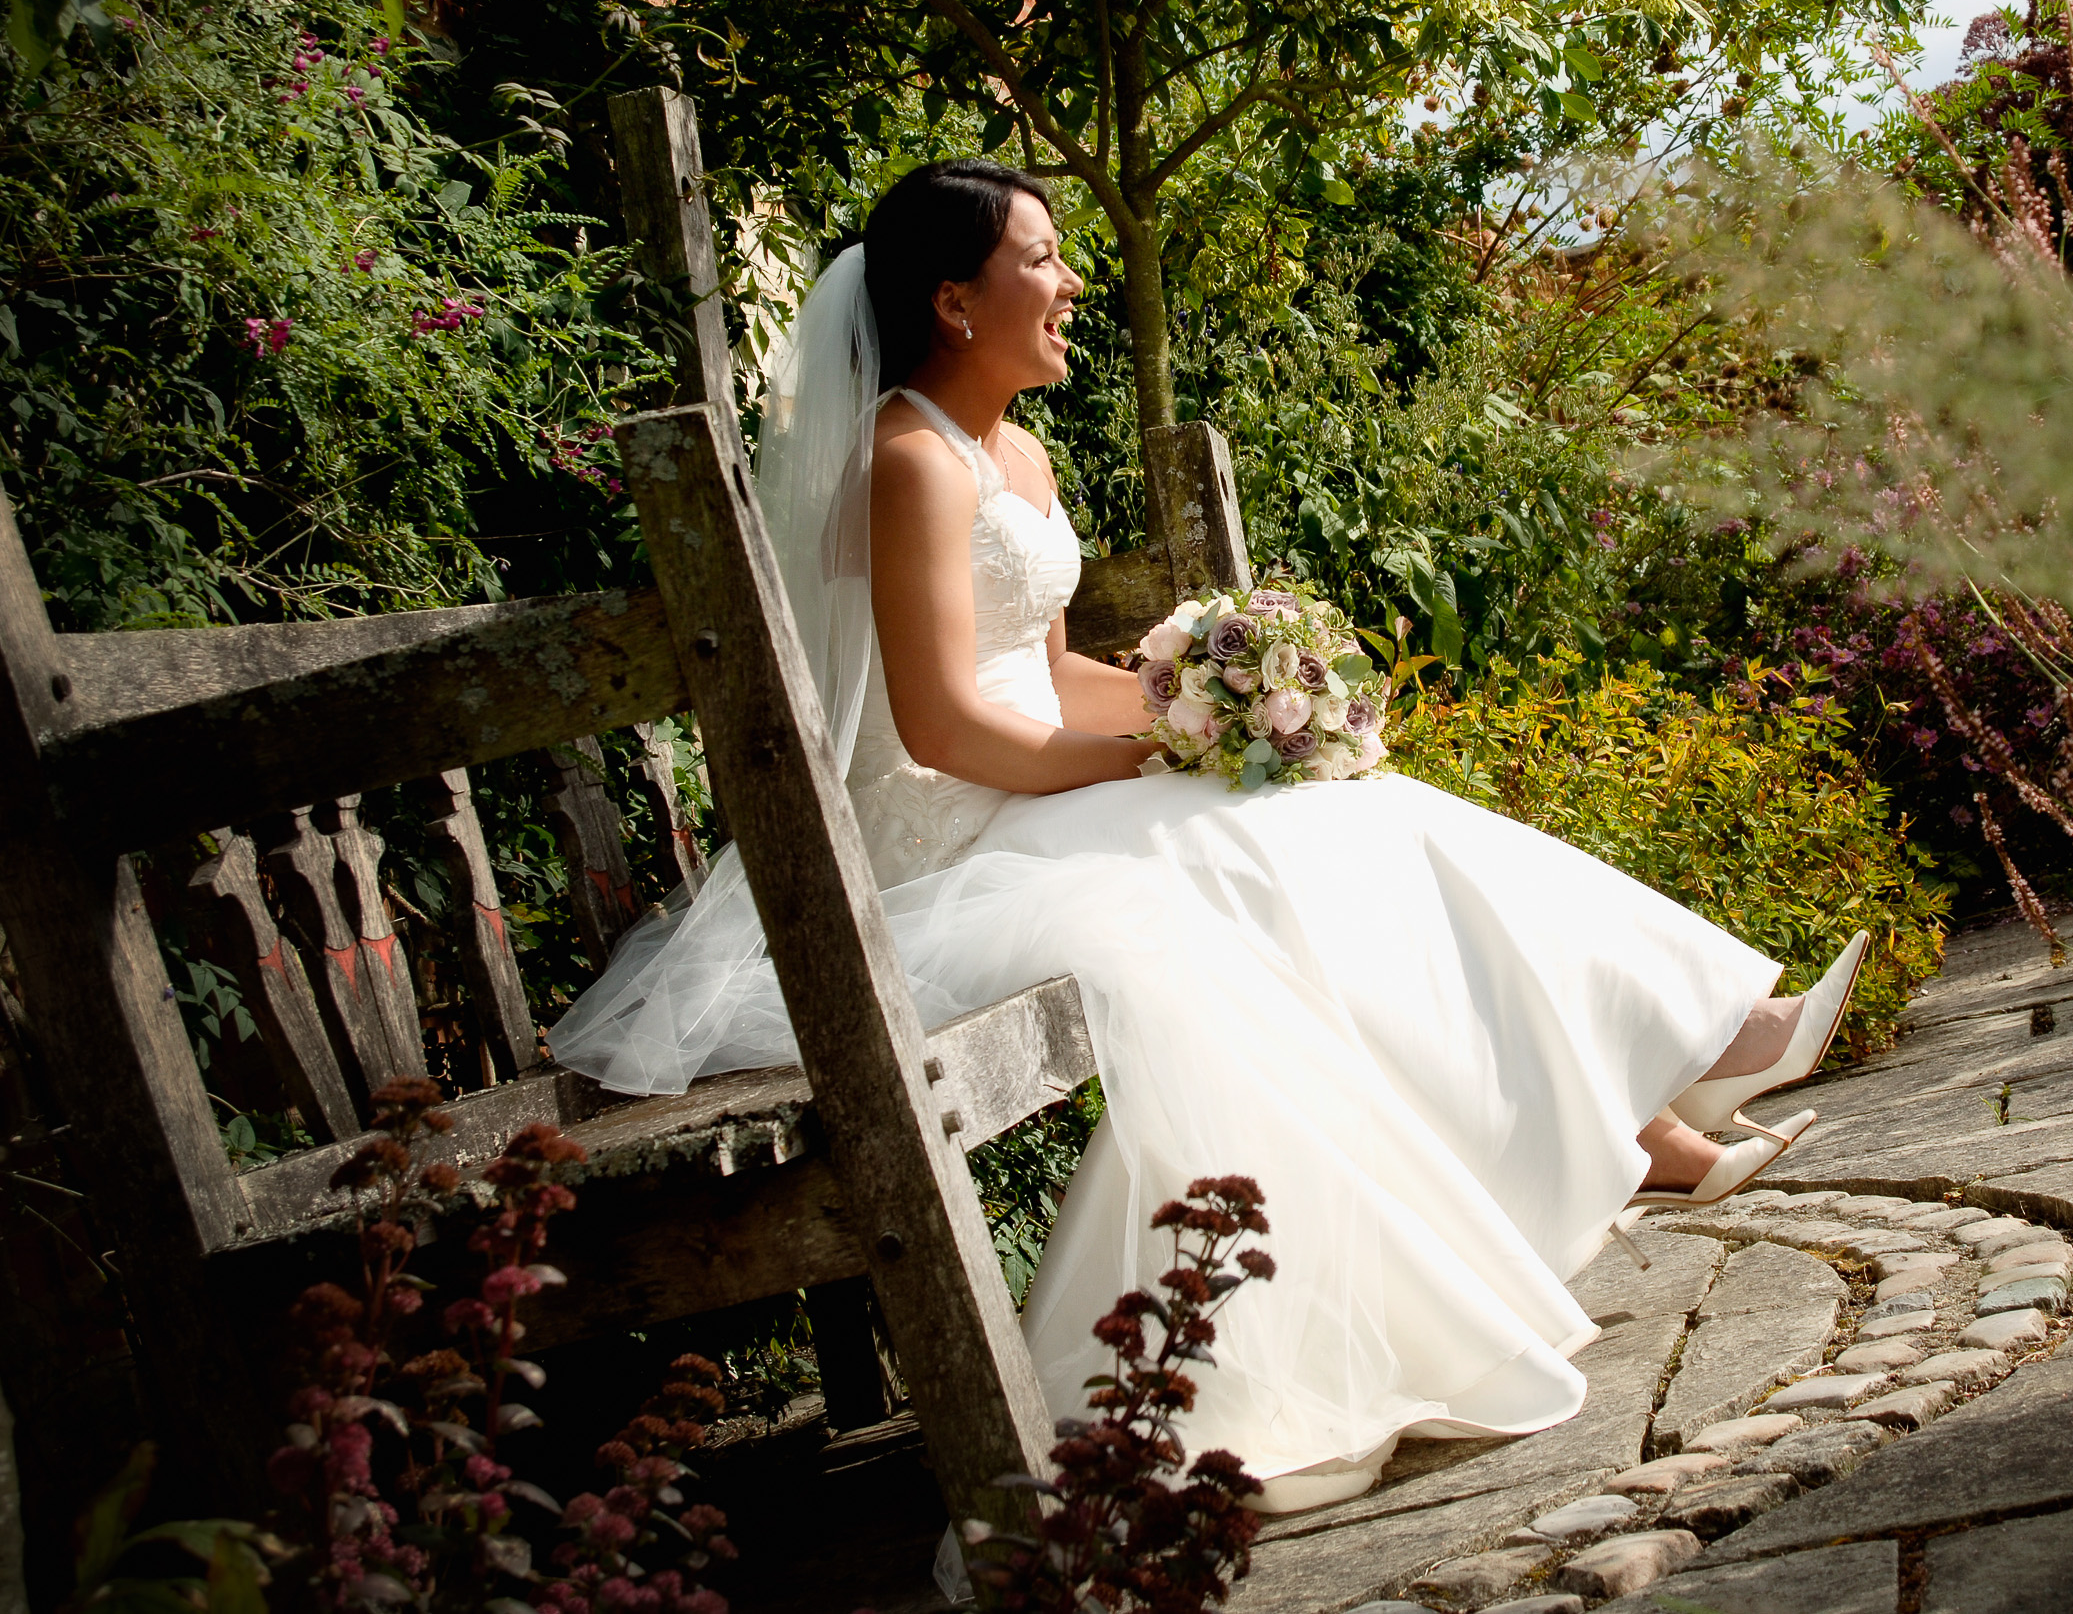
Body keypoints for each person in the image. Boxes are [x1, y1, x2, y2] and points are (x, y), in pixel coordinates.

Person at [547, 160, 1871, 1516]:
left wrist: (1233, 719)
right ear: (953, 299)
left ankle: (1662, 1071)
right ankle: (1651, 1089)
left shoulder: (1015, 450)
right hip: (948, 843)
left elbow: (1051, 676)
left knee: (1333, 806)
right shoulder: (904, 462)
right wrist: (1160, 753)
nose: (1070, 283)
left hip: (1044, 786)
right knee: (1245, 867)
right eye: (1042, 258)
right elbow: (944, 725)